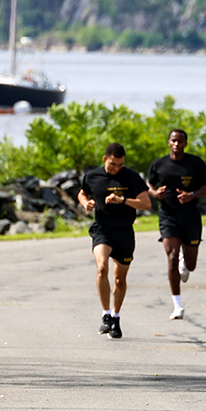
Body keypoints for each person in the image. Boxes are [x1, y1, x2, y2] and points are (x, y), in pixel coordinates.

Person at [76, 142, 152, 338]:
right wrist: (86, 203)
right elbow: (82, 193)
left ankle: (116, 318)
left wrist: (123, 200)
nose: (116, 168)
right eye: (112, 164)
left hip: (124, 231)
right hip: (102, 229)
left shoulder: (131, 177)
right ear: (105, 159)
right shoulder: (93, 176)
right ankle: (106, 315)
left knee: (119, 279)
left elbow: (146, 203)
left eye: (120, 165)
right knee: (102, 267)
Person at [146, 127, 206, 321]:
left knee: (191, 265)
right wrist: (154, 193)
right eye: (173, 140)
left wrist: (192, 195)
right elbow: (148, 183)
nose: (176, 144)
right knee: (172, 256)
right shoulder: (159, 164)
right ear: (169, 143)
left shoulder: (195, 163)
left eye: (180, 141)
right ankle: (177, 305)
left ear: (185, 143)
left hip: (190, 216)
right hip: (168, 215)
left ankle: (185, 262)